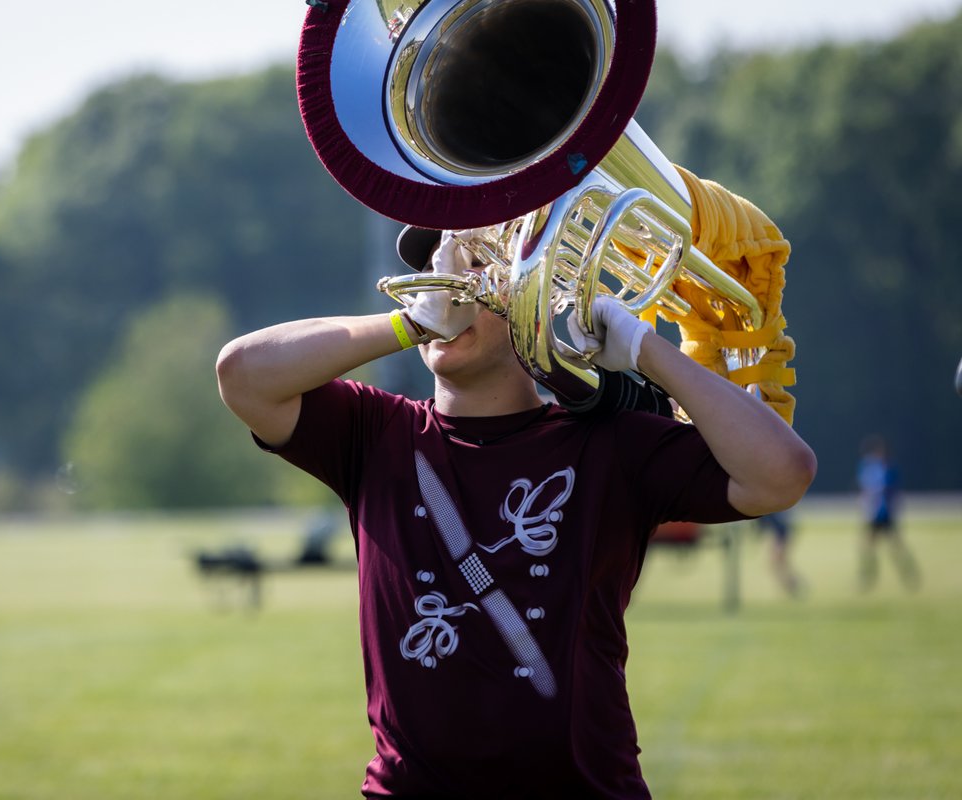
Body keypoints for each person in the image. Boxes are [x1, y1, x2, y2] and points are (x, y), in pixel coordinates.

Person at [216, 226, 817, 798]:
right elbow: (242, 375)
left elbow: (780, 474)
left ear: (535, 292)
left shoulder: (610, 442)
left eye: (474, 270)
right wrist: (409, 323)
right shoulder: (376, 433)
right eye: (433, 275)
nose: (447, 286)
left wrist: (645, 350)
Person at [857, 435, 920, 592]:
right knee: (868, 548)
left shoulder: (888, 469)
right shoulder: (869, 467)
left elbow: (892, 492)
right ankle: (868, 577)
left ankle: (908, 573)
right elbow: (865, 491)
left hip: (885, 514)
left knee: (895, 548)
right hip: (874, 515)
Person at [755, 510, 804, 597]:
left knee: (778, 565)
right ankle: (792, 587)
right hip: (781, 537)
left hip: (781, 538)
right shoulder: (771, 510)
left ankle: (793, 586)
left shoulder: (769, 510)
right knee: (780, 565)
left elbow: (779, 528)